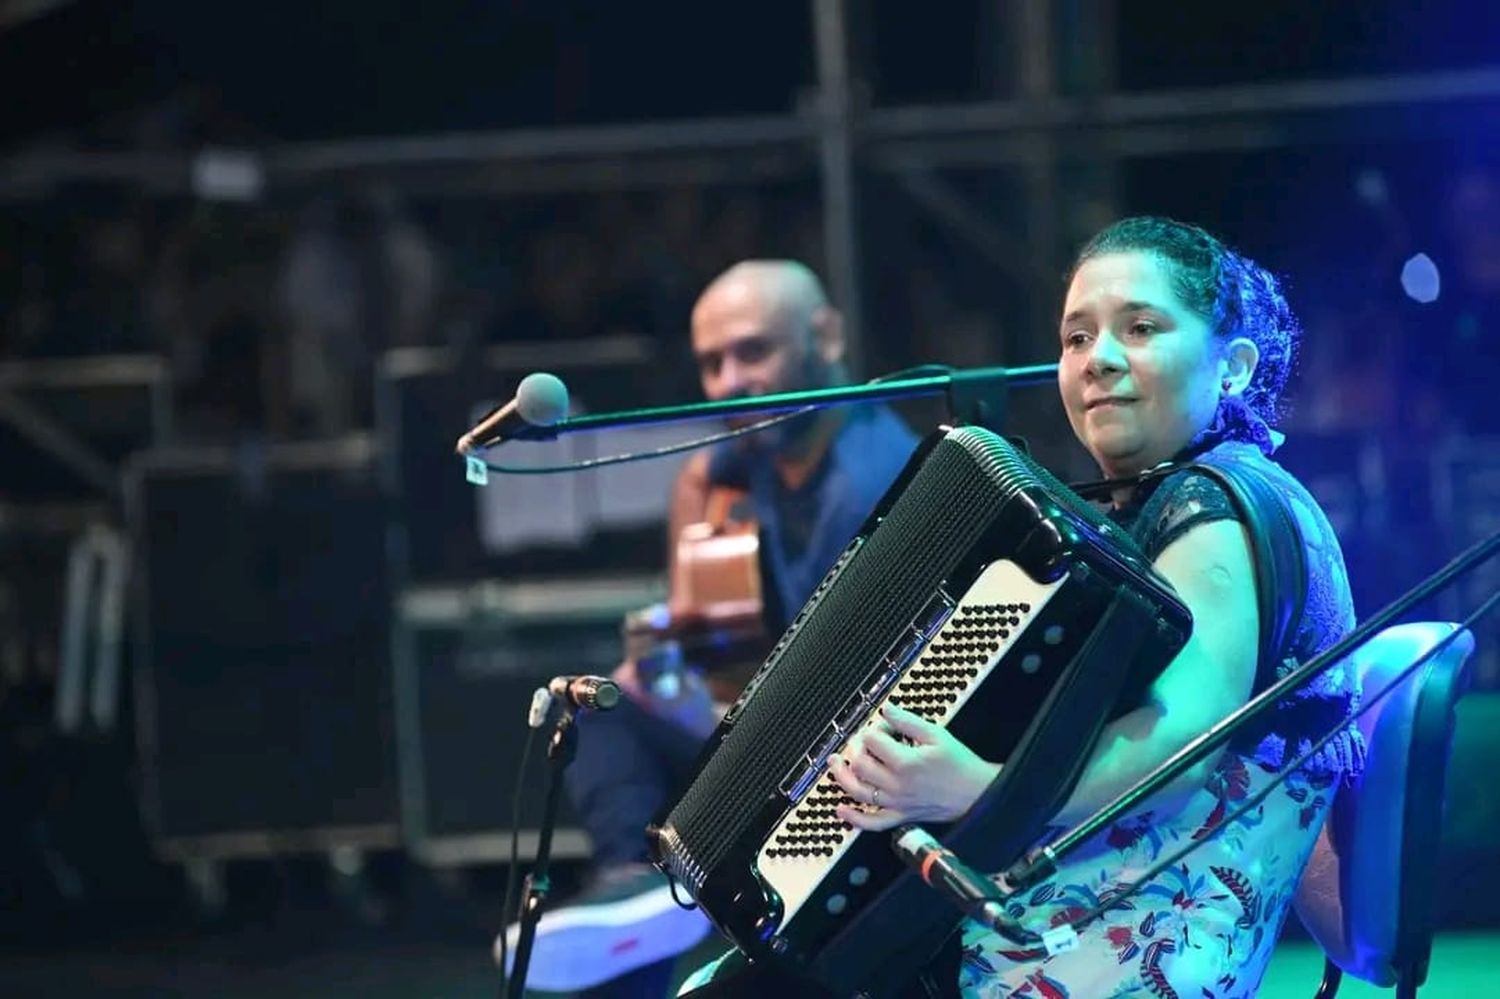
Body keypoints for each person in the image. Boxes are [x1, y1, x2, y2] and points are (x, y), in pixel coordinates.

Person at [681, 217, 1363, 998]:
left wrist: (979, 786)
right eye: (1076, 338)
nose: (1098, 359)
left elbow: (1182, 744)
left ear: (1233, 366)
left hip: (1134, 936)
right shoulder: (1196, 499)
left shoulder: (1217, 509)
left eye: (1140, 328)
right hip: (1097, 902)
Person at [499, 259, 920, 996]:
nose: (729, 382)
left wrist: (715, 705)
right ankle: (634, 884)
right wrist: (668, 655)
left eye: (753, 352)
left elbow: (853, 678)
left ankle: (652, 903)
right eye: (711, 363)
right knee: (599, 706)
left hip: (836, 758)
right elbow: (707, 603)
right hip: (749, 721)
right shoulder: (747, 457)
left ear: (826, 337)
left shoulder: (876, 474)